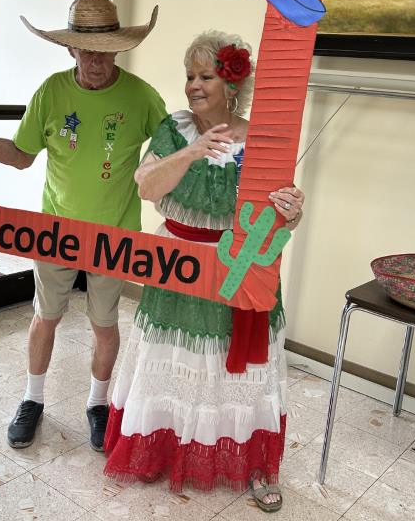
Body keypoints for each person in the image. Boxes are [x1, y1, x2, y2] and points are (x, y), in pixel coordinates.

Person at [0, 0, 169, 453]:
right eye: (87, 51)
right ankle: (32, 399)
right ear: (71, 48)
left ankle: (97, 404)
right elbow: (20, 156)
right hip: (56, 229)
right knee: (45, 316)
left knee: (104, 324)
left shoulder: (141, 97)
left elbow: (172, 150)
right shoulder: (52, 92)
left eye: (106, 51)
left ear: (119, 49)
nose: (97, 62)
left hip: (115, 234)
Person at [102, 30, 304, 513]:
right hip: (179, 265)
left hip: (240, 267)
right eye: (189, 75)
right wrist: (193, 151)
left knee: (238, 372)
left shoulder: (261, 138)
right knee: (176, 362)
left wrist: (292, 210)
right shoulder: (174, 130)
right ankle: (164, 451)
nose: (193, 85)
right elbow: (147, 186)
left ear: (231, 85)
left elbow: (277, 213)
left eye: (205, 76)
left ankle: (254, 465)